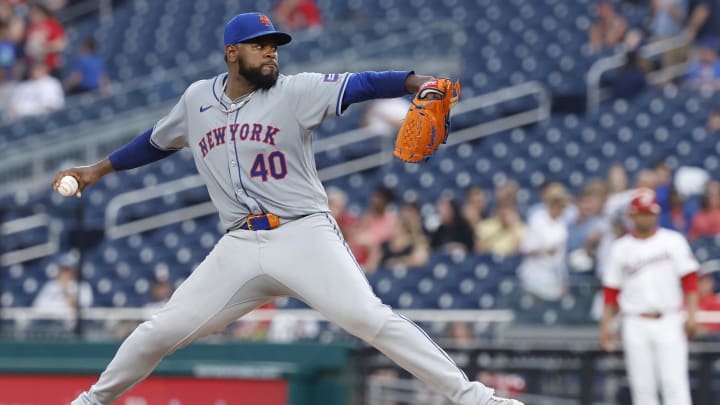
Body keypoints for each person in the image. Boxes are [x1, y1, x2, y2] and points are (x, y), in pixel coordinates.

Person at [56, 12, 521, 405]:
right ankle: (90, 401)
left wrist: (416, 82)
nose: (272, 53)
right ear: (232, 53)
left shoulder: (296, 91)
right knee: (159, 331)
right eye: (260, 46)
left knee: (369, 318)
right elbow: (155, 142)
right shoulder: (197, 99)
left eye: (275, 46)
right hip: (239, 243)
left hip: (303, 234)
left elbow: (360, 84)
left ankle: (475, 398)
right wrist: (96, 170)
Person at [600, 188, 698, 405]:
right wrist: (606, 326)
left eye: (650, 212)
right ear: (632, 215)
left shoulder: (673, 241)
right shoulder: (620, 248)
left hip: (669, 318)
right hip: (635, 321)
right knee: (642, 388)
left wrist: (692, 315)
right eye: (642, 213)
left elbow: (690, 280)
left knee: (674, 384)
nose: (646, 217)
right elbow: (611, 291)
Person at [517, 183, 569, 301]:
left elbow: (561, 256)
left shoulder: (561, 223)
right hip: (536, 274)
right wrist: (544, 251)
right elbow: (526, 249)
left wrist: (563, 281)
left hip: (554, 276)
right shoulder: (537, 219)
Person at [32, 252, 93, 329]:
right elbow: (35, 307)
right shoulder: (50, 285)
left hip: (69, 327)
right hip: (47, 325)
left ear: (74, 270)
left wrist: (66, 289)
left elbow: (79, 311)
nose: (65, 272)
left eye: (68, 269)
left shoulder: (83, 286)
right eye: (63, 269)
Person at [24, 2, 66, 78]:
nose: (33, 16)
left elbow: (61, 44)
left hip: (51, 66)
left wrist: (43, 49)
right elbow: (29, 49)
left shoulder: (52, 24)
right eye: (31, 13)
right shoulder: (31, 29)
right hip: (36, 69)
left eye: (35, 13)